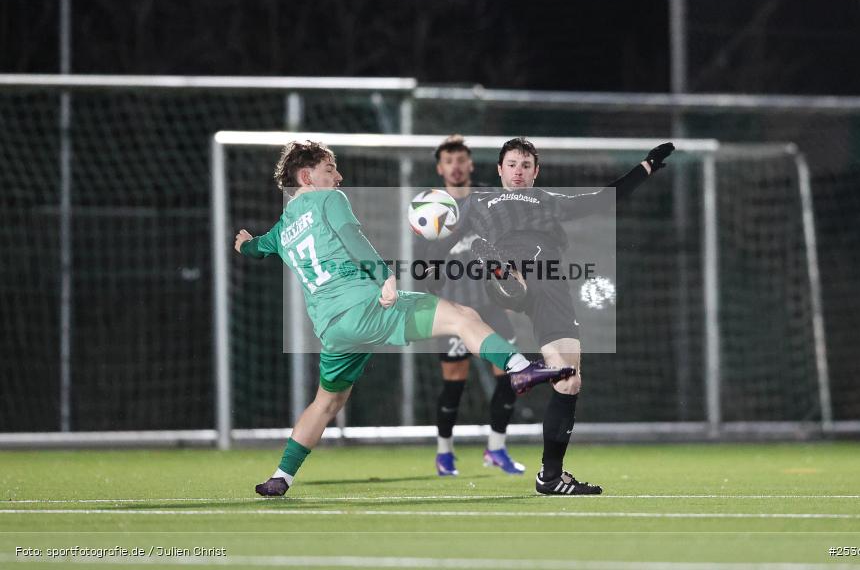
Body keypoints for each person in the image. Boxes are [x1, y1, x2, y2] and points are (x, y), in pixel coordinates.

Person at [234, 140, 574, 497]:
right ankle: (519, 366)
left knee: (326, 402)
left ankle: (281, 476)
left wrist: (244, 244)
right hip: (371, 309)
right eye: (329, 169)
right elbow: (352, 237)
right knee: (462, 316)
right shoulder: (329, 199)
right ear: (306, 176)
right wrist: (385, 276)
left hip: (333, 331)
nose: (339, 176)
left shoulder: (283, 228)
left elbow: (257, 249)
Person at [457, 138, 675, 495]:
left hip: (552, 285)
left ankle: (551, 477)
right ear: (499, 170)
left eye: (526, 166)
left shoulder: (549, 200)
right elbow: (437, 232)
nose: (518, 172)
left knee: (569, 381)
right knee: (513, 278)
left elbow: (605, 199)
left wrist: (646, 167)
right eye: (511, 164)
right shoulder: (476, 202)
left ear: (536, 172)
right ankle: (504, 275)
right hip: (512, 264)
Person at [416, 135, 523, 477]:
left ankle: (496, 448)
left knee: (510, 374)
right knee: (454, 382)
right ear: (440, 168)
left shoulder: (488, 200)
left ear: (471, 164)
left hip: (490, 304)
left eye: (461, 159)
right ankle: (444, 453)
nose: (456, 166)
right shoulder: (431, 207)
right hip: (454, 307)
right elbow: (424, 261)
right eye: (449, 161)